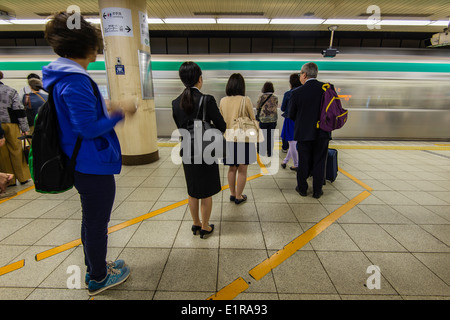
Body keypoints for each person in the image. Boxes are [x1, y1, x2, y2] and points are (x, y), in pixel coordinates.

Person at [43, 11, 130, 296]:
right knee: (96, 223)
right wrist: (119, 113)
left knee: (90, 220)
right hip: (91, 164)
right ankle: (98, 277)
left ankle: (95, 267)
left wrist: (104, 107)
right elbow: (87, 128)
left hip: (83, 162)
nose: (97, 50)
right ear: (86, 46)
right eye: (95, 43)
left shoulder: (65, 76)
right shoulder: (76, 80)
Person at [172, 62, 226, 239]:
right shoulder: (207, 100)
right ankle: (205, 226)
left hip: (187, 150)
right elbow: (222, 125)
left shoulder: (175, 103)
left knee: (193, 189)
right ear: (200, 79)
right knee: (206, 192)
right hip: (206, 151)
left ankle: (195, 223)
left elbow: (180, 127)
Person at [288, 63, 331, 199]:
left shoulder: (296, 92)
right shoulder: (327, 89)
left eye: (301, 74)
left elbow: (291, 114)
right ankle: (317, 191)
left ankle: (302, 189)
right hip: (323, 133)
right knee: (319, 161)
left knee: (304, 161)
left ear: (304, 75)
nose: (300, 76)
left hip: (304, 133)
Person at [220, 73, 257, 205]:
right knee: (242, 168)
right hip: (243, 139)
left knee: (231, 168)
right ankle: (239, 196)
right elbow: (252, 118)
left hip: (228, 138)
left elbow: (222, 120)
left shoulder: (223, 101)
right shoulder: (245, 99)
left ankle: (232, 194)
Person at [0, 71, 31, 186]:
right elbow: (19, 109)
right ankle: (22, 177)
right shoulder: (10, 90)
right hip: (11, 123)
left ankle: (8, 179)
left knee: (2, 153)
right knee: (16, 149)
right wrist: (24, 127)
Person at [280, 73, 302, 171]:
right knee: (293, 142)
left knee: (292, 142)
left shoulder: (289, 93)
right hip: (301, 120)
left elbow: (283, 108)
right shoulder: (303, 91)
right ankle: (285, 161)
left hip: (290, 120)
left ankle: (297, 164)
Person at [256, 82, 278, 157]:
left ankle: (262, 151)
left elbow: (257, 107)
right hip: (273, 120)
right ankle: (270, 152)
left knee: (262, 136)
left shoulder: (261, 97)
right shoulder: (275, 97)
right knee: (270, 136)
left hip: (263, 119)